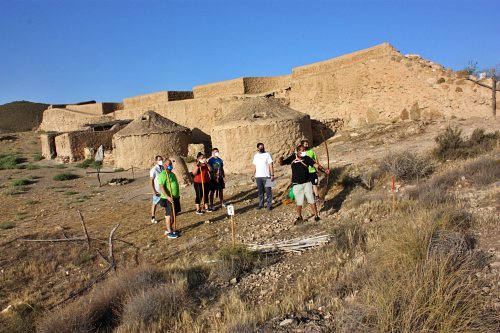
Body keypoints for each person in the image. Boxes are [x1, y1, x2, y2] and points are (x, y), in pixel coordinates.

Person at [280, 145, 329, 224]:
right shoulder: (293, 157)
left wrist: (324, 170)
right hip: (296, 184)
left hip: (307, 183)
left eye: (304, 151)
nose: (304, 152)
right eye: (302, 150)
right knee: (299, 202)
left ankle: (316, 216)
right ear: (298, 151)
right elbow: (283, 163)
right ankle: (299, 217)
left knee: (311, 200)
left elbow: (316, 165)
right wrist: (281, 160)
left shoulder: (307, 158)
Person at [157, 159, 181, 239]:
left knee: (174, 213)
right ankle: (169, 232)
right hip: (168, 198)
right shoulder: (163, 174)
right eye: (169, 164)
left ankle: (170, 228)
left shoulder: (172, 174)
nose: (171, 165)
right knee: (169, 215)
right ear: (164, 166)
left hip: (175, 197)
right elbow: (161, 187)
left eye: (171, 164)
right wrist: (168, 197)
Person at [252, 143, 275, 211]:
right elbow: (254, 166)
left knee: (268, 191)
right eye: (260, 147)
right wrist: (253, 175)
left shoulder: (267, 154)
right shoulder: (256, 156)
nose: (262, 148)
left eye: (263, 147)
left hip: (267, 176)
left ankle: (269, 205)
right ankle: (261, 205)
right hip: (258, 176)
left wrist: (272, 175)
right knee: (260, 192)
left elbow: (271, 165)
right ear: (257, 148)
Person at [149, 155, 164, 223]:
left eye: (161, 159)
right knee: (155, 203)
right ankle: (153, 217)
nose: (160, 161)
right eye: (159, 160)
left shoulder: (163, 168)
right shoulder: (154, 169)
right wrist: (153, 190)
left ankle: (169, 213)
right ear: (156, 161)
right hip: (157, 189)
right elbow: (151, 180)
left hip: (163, 189)